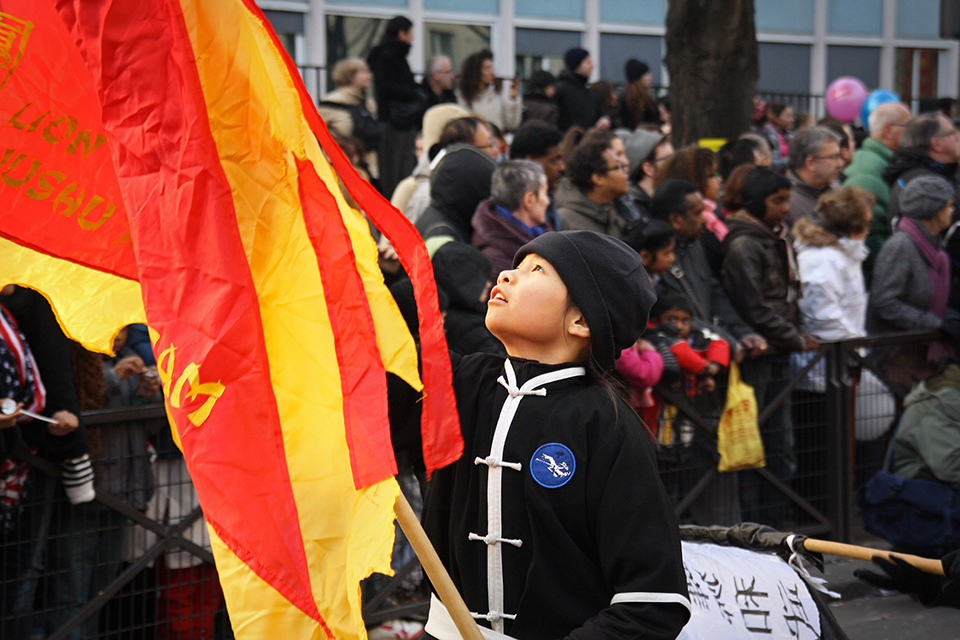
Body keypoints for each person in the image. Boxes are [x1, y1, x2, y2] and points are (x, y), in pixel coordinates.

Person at [413, 230, 691, 640]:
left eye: (536, 269)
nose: (506, 275)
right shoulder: (460, 384)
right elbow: (366, 361)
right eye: (515, 266)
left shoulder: (609, 427)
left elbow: (654, 602)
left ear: (581, 320)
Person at [722, 167, 819, 527]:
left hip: (782, 349)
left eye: (786, 200)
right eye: (777, 201)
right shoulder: (744, 244)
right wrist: (795, 339)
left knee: (782, 444)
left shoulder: (778, 236)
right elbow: (755, 306)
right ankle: (756, 526)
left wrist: (796, 334)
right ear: (755, 203)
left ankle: (778, 523)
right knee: (755, 444)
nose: (784, 208)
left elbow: (790, 296)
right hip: (762, 356)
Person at [870, 175, 957, 395]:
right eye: (949, 205)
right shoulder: (900, 247)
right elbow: (885, 301)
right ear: (933, 210)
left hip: (924, 357)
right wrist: (932, 323)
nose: (953, 210)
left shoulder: (935, 248)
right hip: (899, 357)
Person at [842, 101, 912, 283]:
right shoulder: (868, 168)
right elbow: (869, 234)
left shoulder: (884, 162)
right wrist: (895, 271)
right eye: (908, 126)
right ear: (887, 130)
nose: (912, 132)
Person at [368, 16, 425, 198]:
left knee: (397, 169)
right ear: (402, 33)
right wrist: (415, 93)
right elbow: (387, 89)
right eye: (411, 33)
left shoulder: (389, 55)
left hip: (397, 120)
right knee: (396, 171)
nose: (413, 38)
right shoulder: (390, 56)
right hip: (395, 122)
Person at [472, 160, 553, 276]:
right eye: (545, 193)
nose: (547, 201)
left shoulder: (541, 233)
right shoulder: (496, 261)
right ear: (529, 200)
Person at [554, 129, 639, 238]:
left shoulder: (614, 210)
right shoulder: (567, 220)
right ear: (598, 178)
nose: (626, 168)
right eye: (618, 167)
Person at [654, 145, 726, 274]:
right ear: (695, 180)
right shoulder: (688, 231)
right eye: (711, 175)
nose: (719, 179)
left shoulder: (714, 218)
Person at [317, 58, 380, 184]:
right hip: (341, 172)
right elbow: (315, 134)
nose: (369, 76)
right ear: (351, 77)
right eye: (364, 72)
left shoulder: (369, 105)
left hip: (368, 171)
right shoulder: (330, 104)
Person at [509, 121, 565, 231]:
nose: (562, 168)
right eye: (554, 161)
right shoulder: (509, 210)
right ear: (530, 161)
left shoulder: (548, 198)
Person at [785, 126, 843, 229]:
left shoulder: (838, 192)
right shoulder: (787, 204)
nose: (840, 164)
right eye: (834, 157)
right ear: (811, 163)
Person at [457, 49, 521, 133]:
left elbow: (512, 125)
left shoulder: (497, 96)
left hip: (496, 143)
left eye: (492, 68)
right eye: (487, 68)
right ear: (475, 72)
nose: (492, 73)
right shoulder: (462, 98)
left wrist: (512, 99)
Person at [624, 128, 673, 221]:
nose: (675, 165)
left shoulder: (667, 200)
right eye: (668, 159)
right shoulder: (632, 209)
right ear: (648, 168)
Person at [554, 48, 607, 132]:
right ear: (577, 65)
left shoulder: (590, 93)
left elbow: (600, 114)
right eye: (588, 62)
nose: (592, 66)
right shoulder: (561, 90)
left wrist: (604, 120)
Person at [620, 59, 659, 131]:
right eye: (645, 74)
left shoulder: (648, 99)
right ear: (638, 77)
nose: (650, 77)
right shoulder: (627, 99)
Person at [756, 102, 794, 173]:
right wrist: (792, 161)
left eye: (792, 116)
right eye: (788, 116)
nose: (791, 120)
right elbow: (772, 163)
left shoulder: (787, 134)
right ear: (776, 118)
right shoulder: (771, 135)